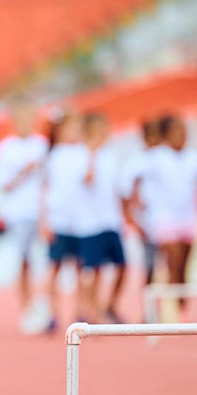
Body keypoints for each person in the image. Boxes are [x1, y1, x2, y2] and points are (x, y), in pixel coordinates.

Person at [142, 113, 197, 311]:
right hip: (164, 218)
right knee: (173, 264)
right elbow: (131, 181)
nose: (182, 135)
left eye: (185, 131)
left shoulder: (195, 158)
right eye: (177, 131)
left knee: (183, 268)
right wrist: (136, 209)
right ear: (166, 134)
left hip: (189, 218)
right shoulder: (156, 157)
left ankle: (180, 309)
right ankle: (167, 310)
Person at [0, 95, 49, 333]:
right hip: (19, 213)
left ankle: (45, 307)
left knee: (47, 262)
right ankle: (27, 309)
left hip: (43, 212)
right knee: (24, 260)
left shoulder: (42, 145)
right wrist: (24, 172)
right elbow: (2, 184)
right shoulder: (5, 149)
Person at [38, 109, 92, 329]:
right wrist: (44, 220)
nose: (74, 132)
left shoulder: (84, 153)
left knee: (82, 268)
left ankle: (80, 310)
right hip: (59, 220)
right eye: (70, 127)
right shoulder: (52, 156)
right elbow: (43, 189)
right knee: (54, 267)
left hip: (81, 221)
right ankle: (51, 312)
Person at [77, 111, 128, 323]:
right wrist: (90, 153)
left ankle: (110, 305)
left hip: (111, 221)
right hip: (90, 223)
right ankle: (92, 310)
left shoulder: (111, 155)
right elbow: (86, 179)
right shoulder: (81, 155)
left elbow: (119, 189)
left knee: (122, 266)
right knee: (93, 271)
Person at [120, 118, 162, 290]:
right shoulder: (136, 164)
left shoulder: (165, 160)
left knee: (171, 268)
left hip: (168, 222)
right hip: (147, 222)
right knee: (150, 266)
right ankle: (149, 310)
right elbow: (125, 193)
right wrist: (132, 219)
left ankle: (172, 312)